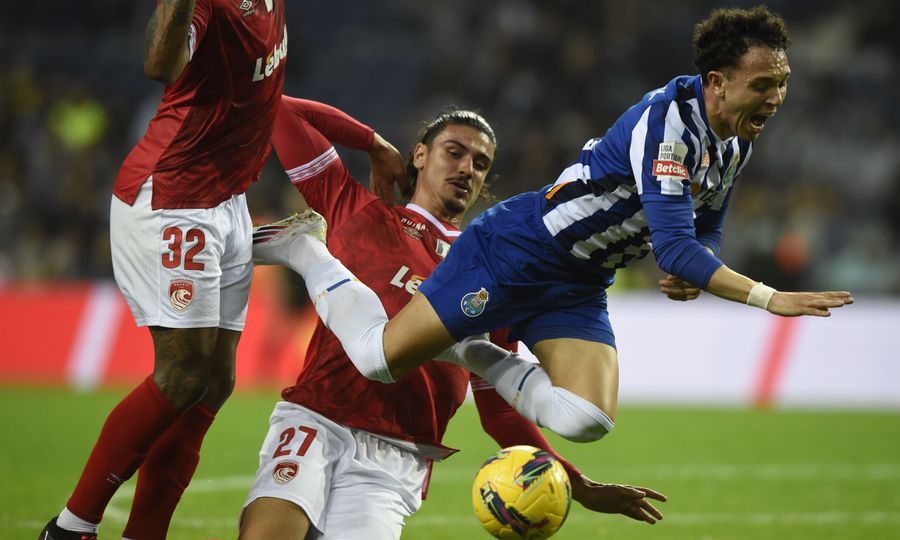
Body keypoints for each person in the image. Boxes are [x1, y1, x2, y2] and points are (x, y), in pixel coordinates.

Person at [252, 7, 853, 447]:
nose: (777, 98)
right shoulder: (668, 123)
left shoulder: (733, 142)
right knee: (380, 360)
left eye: (782, 84)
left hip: (582, 281)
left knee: (588, 419)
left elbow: (703, 229)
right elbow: (672, 246)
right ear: (718, 83)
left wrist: (697, 269)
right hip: (522, 250)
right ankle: (307, 254)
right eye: (764, 85)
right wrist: (767, 297)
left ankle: (472, 348)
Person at [237, 96, 667, 539]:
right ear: (420, 156)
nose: (467, 168)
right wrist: (375, 145)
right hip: (317, 416)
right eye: (454, 152)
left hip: (399, 454)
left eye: (481, 163)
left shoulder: (493, 268)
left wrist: (575, 482)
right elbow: (280, 109)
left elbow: (498, 408)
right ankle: (303, 250)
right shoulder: (359, 210)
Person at [41, 1, 287, 539]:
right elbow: (159, 63)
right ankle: (70, 527)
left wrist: (364, 141)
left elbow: (268, 96)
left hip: (227, 198)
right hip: (174, 195)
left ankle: (144, 534)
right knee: (182, 374)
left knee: (216, 381)